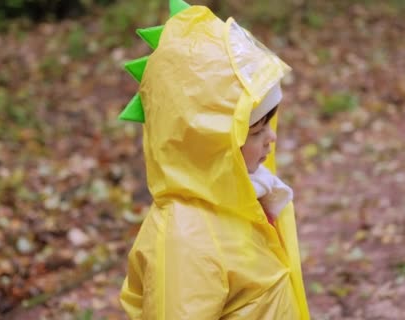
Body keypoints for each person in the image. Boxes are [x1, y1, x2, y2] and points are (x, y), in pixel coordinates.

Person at [118, 0, 310, 318]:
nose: (272, 139)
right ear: (208, 141)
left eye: (270, 124)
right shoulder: (185, 244)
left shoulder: (245, 197)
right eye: (258, 130)